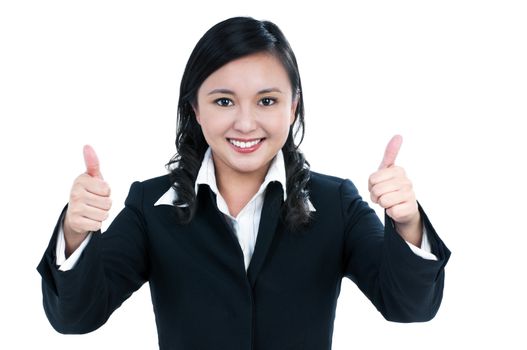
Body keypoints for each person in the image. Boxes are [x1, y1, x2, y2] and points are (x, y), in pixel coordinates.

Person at [37, 16, 450, 350]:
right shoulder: (152, 205)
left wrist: (407, 222)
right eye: (223, 101)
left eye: (267, 101)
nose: (246, 123)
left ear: (293, 108)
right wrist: (76, 231)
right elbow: (77, 318)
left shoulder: (335, 202)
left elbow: (408, 307)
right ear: (195, 109)